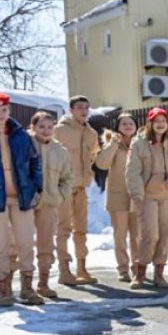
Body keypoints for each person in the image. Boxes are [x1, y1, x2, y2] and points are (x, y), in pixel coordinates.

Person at [0, 93, 43, 307]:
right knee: (0, 245)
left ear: (10, 111)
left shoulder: (21, 135)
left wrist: (37, 187)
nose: (1, 114)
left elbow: (34, 162)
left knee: (26, 243)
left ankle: (28, 287)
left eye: (4, 110)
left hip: (21, 197)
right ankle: (3, 289)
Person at [126, 107, 168, 290]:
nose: (160, 124)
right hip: (147, 195)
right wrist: (136, 194)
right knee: (150, 234)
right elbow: (132, 171)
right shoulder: (138, 144)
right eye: (156, 121)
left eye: (164, 121)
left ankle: (159, 273)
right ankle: (140, 272)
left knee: (164, 234)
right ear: (149, 123)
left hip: (167, 194)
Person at [20, 111, 72, 299]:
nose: (46, 130)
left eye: (50, 127)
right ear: (32, 127)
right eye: (41, 126)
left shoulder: (61, 152)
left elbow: (67, 179)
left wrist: (59, 196)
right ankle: (22, 285)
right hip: (25, 203)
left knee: (46, 243)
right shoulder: (23, 145)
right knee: (22, 243)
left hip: (49, 203)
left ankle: (43, 282)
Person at [54, 95, 101, 285]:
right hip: (63, 187)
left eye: (86, 107)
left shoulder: (91, 133)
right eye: (80, 107)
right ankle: (64, 270)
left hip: (81, 187)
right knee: (63, 229)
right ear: (71, 109)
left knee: (81, 230)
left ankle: (82, 268)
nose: (84, 111)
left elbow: (93, 157)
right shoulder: (59, 130)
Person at [96, 113, 140, 282]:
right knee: (120, 234)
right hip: (117, 195)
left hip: (137, 195)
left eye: (131, 123)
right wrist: (113, 144)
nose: (128, 126)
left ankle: (137, 268)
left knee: (137, 235)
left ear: (136, 126)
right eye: (124, 123)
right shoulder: (112, 144)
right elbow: (102, 164)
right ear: (118, 127)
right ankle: (122, 268)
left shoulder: (141, 144)